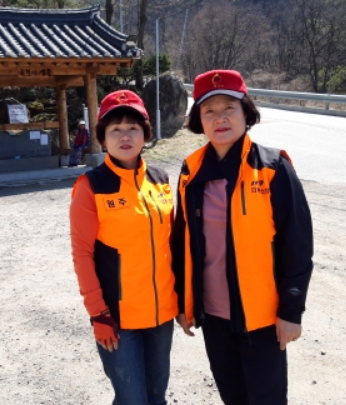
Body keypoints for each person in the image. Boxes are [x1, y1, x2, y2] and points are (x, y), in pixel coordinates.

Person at [171, 69, 313, 405]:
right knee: (232, 397)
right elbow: (182, 240)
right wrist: (184, 303)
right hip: (213, 314)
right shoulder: (191, 170)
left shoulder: (273, 167)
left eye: (228, 108)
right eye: (209, 110)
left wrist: (291, 311)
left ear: (245, 113)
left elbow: (297, 244)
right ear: (199, 120)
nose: (219, 118)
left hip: (262, 316)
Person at [70, 90, 177, 405]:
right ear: (103, 138)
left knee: (157, 396)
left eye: (133, 127)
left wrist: (184, 300)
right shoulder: (91, 186)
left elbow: (173, 245)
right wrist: (98, 314)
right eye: (115, 129)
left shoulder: (159, 179)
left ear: (145, 133)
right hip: (117, 317)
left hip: (161, 314)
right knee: (132, 399)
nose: (125, 135)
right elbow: (82, 255)